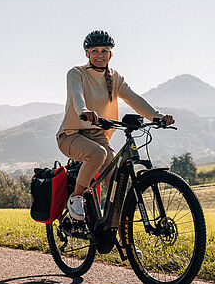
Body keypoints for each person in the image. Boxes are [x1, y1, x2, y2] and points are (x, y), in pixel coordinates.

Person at [56, 30, 174, 220]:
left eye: (104, 51)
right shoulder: (76, 73)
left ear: (111, 53)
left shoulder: (114, 77)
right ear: (87, 54)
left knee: (116, 188)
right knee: (98, 154)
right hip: (71, 135)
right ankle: (76, 196)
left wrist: (157, 116)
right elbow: (76, 96)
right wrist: (84, 112)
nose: (100, 55)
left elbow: (134, 99)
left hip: (97, 136)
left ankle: (126, 244)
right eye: (94, 51)